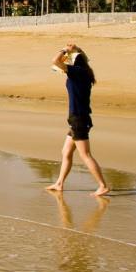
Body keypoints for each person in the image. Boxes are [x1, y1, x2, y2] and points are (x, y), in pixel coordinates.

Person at [46, 43, 110, 196]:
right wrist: (76, 49)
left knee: (85, 154)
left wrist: (64, 50)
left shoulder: (78, 72)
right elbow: (77, 59)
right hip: (78, 118)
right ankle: (60, 183)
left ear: (75, 62)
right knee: (66, 152)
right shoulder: (83, 71)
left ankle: (102, 185)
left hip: (79, 119)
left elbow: (55, 61)